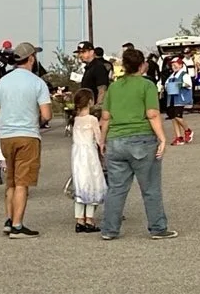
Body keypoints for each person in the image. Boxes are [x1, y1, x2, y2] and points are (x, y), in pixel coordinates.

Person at [98, 48, 175, 241]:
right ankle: (157, 227)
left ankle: (109, 229)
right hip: (141, 139)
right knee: (150, 188)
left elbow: (105, 117)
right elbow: (152, 114)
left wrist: (102, 140)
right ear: (142, 65)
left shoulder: (114, 87)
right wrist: (162, 138)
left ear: (123, 66)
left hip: (115, 140)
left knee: (116, 188)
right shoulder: (146, 85)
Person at [0, 42, 52, 238]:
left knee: (11, 181)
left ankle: (8, 219)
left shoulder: (3, 81)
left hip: (6, 136)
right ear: (31, 58)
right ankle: (17, 225)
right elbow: (47, 114)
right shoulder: (37, 82)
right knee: (22, 183)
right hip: (28, 135)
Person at [70, 89, 106, 233]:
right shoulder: (92, 119)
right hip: (89, 153)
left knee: (81, 183)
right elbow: (98, 138)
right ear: (90, 101)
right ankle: (89, 219)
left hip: (77, 153)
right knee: (93, 182)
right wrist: (103, 147)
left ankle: (79, 219)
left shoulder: (76, 119)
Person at [164, 56, 193, 145]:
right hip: (171, 99)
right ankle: (178, 137)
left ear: (180, 65)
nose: (173, 67)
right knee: (173, 118)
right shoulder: (171, 76)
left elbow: (189, 85)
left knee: (178, 117)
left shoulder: (184, 75)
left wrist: (181, 84)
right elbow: (166, 85)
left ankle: (188, 130)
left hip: (180, 98)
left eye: (175, 65)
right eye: (172, 65)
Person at [77, 42, 112, 107]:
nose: (80, 55)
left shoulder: (98, 67)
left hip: (94, 109)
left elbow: (102, 89)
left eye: (83, 52)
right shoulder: (89, 68)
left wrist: (98, 107)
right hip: (88, 107)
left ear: (92, 52)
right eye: (79, 53)